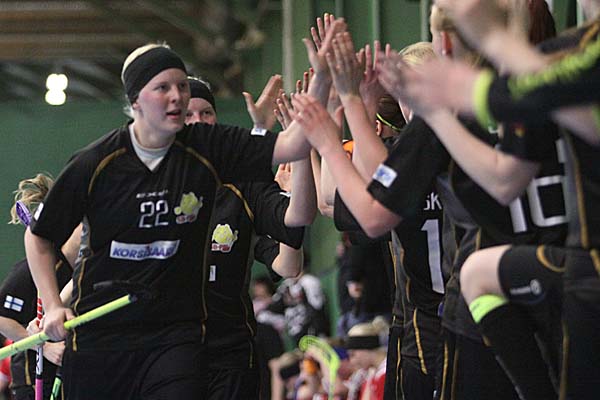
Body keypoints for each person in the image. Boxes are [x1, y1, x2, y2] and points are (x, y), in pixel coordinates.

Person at [24, 32, 339, 398]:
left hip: (174, 339)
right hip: (103, 339)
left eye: (182, 86)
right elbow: (39, 236)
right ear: (135, 101)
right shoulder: (97, 164)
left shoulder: (207, 148)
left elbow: (294, 144)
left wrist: (322, 79)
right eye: (163, 88)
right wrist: (52, 306)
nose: (176, 96)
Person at [184, 75, 316, 399]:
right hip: (174, 354)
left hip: (231, 355)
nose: (198, 121)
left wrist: (297, 148)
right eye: (188, 115)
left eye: (206, 113)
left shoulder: (242, 185)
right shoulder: (155, 187)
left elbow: (290, 258)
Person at [0, 174, 78, 400]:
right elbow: (2, 318)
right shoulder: (34, 270)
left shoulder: (87, 269)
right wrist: (42, 346)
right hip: (31, 377)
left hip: (72, 375)